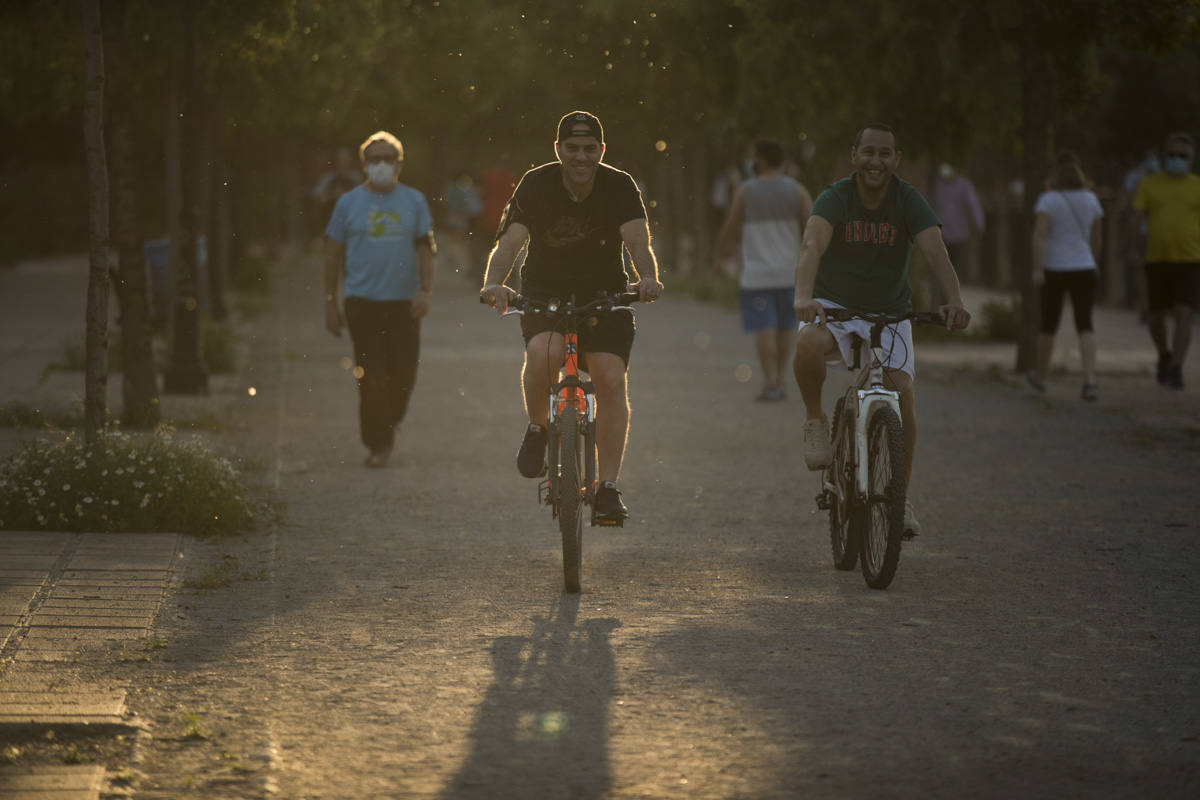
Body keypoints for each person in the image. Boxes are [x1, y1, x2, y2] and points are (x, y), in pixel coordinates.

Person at [479, 111, 664, 521]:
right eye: (572, 148)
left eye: (589, 149)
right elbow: (508, 243)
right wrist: (494, 283)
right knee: (546, 352)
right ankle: (537, 427)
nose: (581, 157)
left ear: (602, 150)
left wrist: (647, 278)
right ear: (558, 150)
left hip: (605, 293)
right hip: (547, 291)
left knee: (610, 377)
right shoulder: (536, 184)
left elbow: (637, 239)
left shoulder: (618, 185)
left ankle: (608, 487)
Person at [792, 123, 971, 537]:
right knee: (806, 344)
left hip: (889, 312)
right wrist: (804, 296)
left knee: (903, 392)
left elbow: (935, 252)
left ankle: (899, 498)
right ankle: (816, 421)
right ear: (854, 155)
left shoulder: (908, 200)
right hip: (836, 307)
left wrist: (956, 302)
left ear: (896, 160)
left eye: (885, 154)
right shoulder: (835, 197)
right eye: (868, 152)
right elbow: (811, 247)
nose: (876, 161)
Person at [323, 130, 436, 468]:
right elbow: (331, 254)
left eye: (389, 159)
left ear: (399, 164)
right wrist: (330, 302)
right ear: (364, 165)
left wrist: (425, 291)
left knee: (403, 375)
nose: (382, 165)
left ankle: (389, 420)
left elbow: (426, 250)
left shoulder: (414, 201)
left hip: (403, 303)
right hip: (362, 302)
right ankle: (377, 443)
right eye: (375, 160)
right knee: (371, 374)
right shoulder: (347, 204)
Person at [714, 138, 814, 402]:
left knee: (764, 328)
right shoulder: (797, 191)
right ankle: (781, 379)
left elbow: (730, 227)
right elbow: (813, 229)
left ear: (759, 159)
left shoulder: (746, 191)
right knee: (784, 329)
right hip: (789, 273)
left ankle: (769, 381)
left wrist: (721, 253)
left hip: (757, 275)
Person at [1027, 151, 1105, 400]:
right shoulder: (1091, 199)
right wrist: (1093, 260)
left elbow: (1038, 235)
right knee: (1085, 324)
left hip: (1054, 268)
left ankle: (1040, 378)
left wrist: (1038, 269)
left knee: (1049, 325)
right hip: (1084, 267)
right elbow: (1097, 237)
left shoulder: (1048, 200)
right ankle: (1089, 381)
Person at [1131, 131, 1200, 390]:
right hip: (1156, 259)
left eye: (1183, 156)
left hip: (1189, 260)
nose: (1177, 160)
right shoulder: (1151, 184)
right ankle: (1163, 354)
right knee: (1156, 316)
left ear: (1191, 159)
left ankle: (1177, 367)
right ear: (1164, 156)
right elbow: (1137, 216)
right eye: (1172, 155)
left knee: (1184, 313)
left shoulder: (1197, 186)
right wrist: (1132, 248)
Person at [932, 163, 986, 291]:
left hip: (959, 234)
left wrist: (979, 223)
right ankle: (942, 289)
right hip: (940, 234)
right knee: (942, 263)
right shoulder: (937, 186)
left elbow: (974, 204)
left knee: (956, 264)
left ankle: (954, 291)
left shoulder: (964, 185)